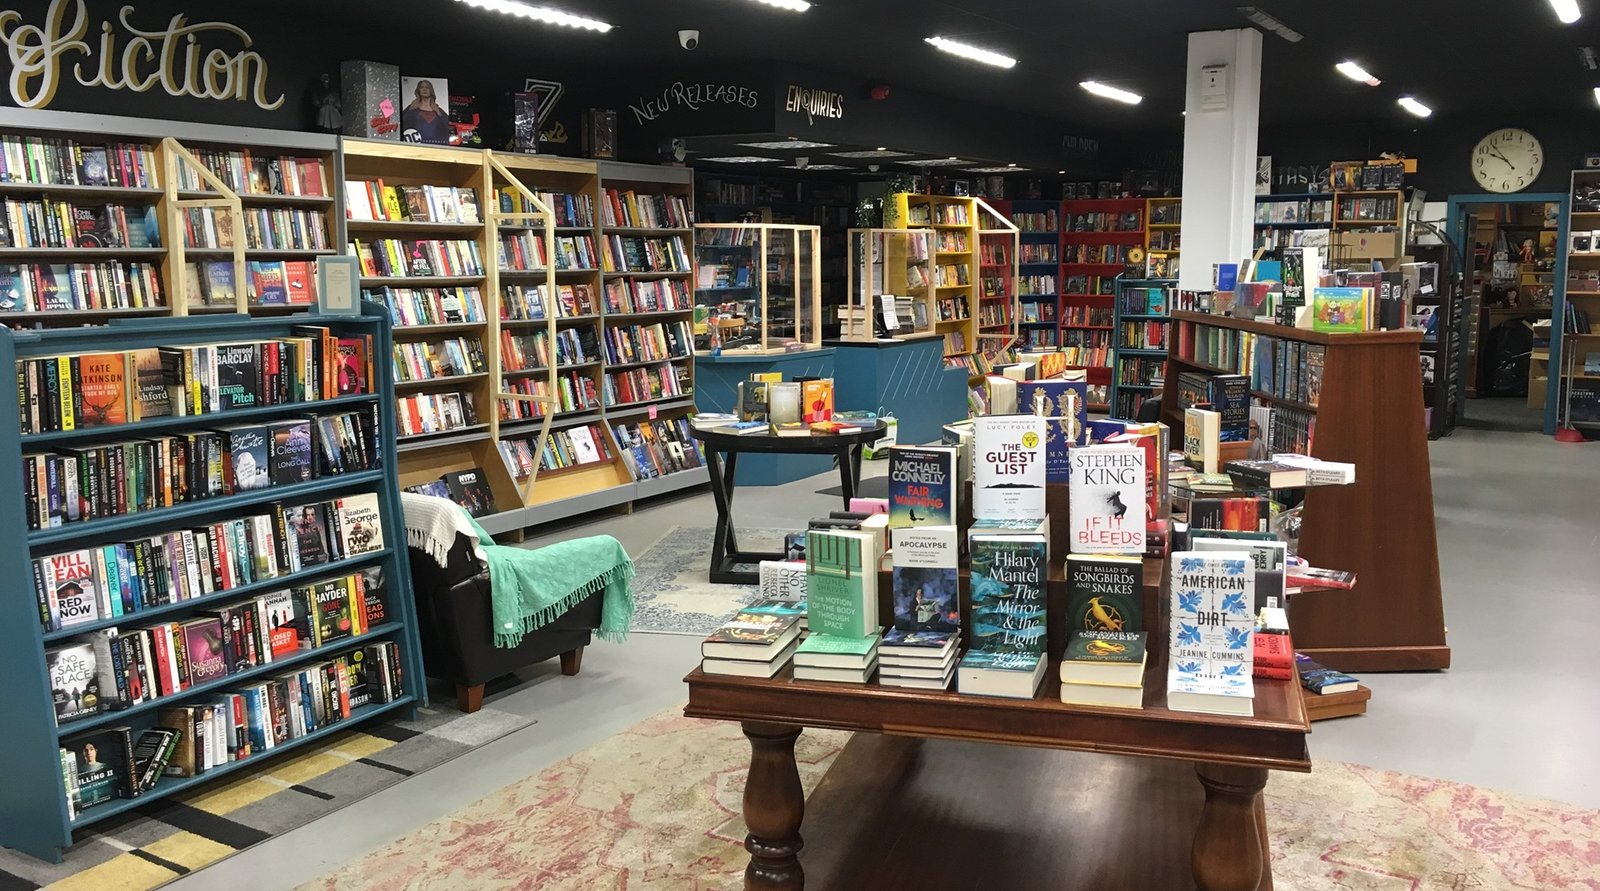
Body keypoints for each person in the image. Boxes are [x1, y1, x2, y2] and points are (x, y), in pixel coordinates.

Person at [400, 80, 450, 144]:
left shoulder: (439, 112)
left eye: (427, 87)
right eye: (422, 87)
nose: (424, 89)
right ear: (419, 90)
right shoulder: (411, 109)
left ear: (431, 90)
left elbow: (447, 129)